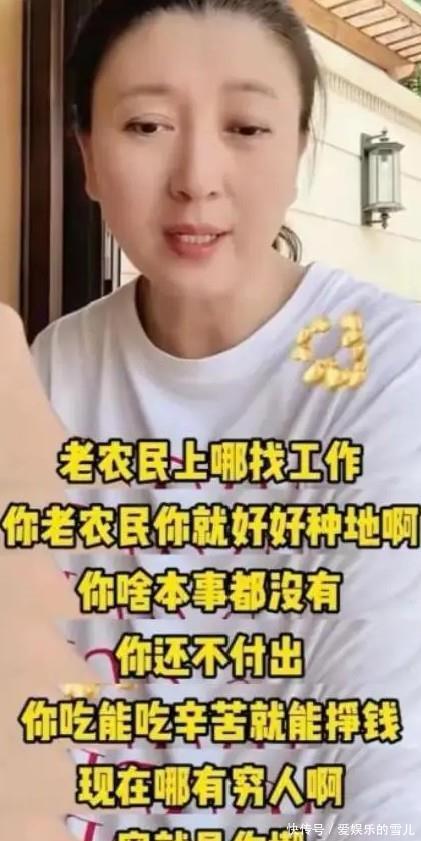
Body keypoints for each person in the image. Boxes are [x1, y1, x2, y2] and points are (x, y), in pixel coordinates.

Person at [31, 0, 421, 838]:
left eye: (245, 127)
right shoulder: (58, 366)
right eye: (146, 125)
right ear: (87, 156)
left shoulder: (392, 370)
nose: (196, 178)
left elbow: (384, 760)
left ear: (298, 153)